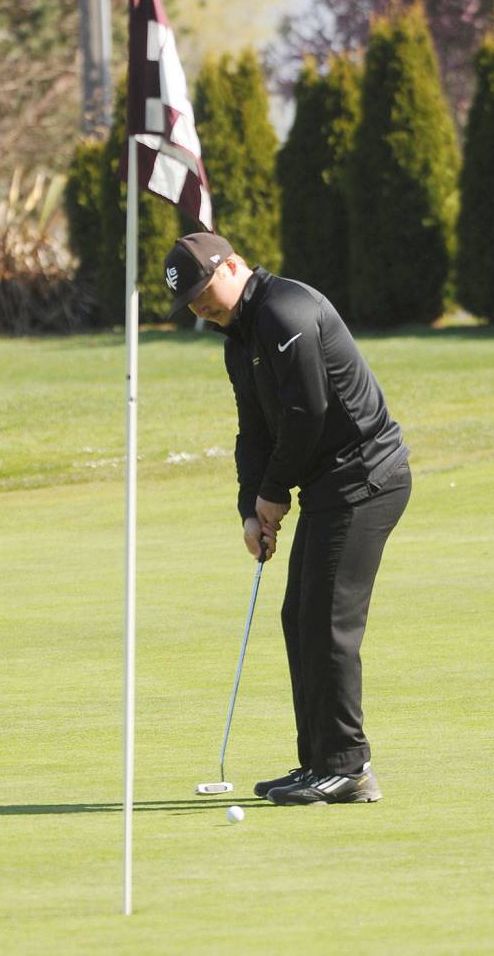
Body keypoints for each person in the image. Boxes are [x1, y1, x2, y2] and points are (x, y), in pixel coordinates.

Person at [164, 231, 412, 806]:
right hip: (331, 485)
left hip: (367, 479)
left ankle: (348, 767)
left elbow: (307, 411)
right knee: (299, 617)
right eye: (192, 303)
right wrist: (252, 505)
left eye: (205, 290)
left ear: (232, 266)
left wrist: (276, 492)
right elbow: (255, 430)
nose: (201, 307)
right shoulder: (239, 338)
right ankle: (318, 764)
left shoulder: (286, 310)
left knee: (327, 623)